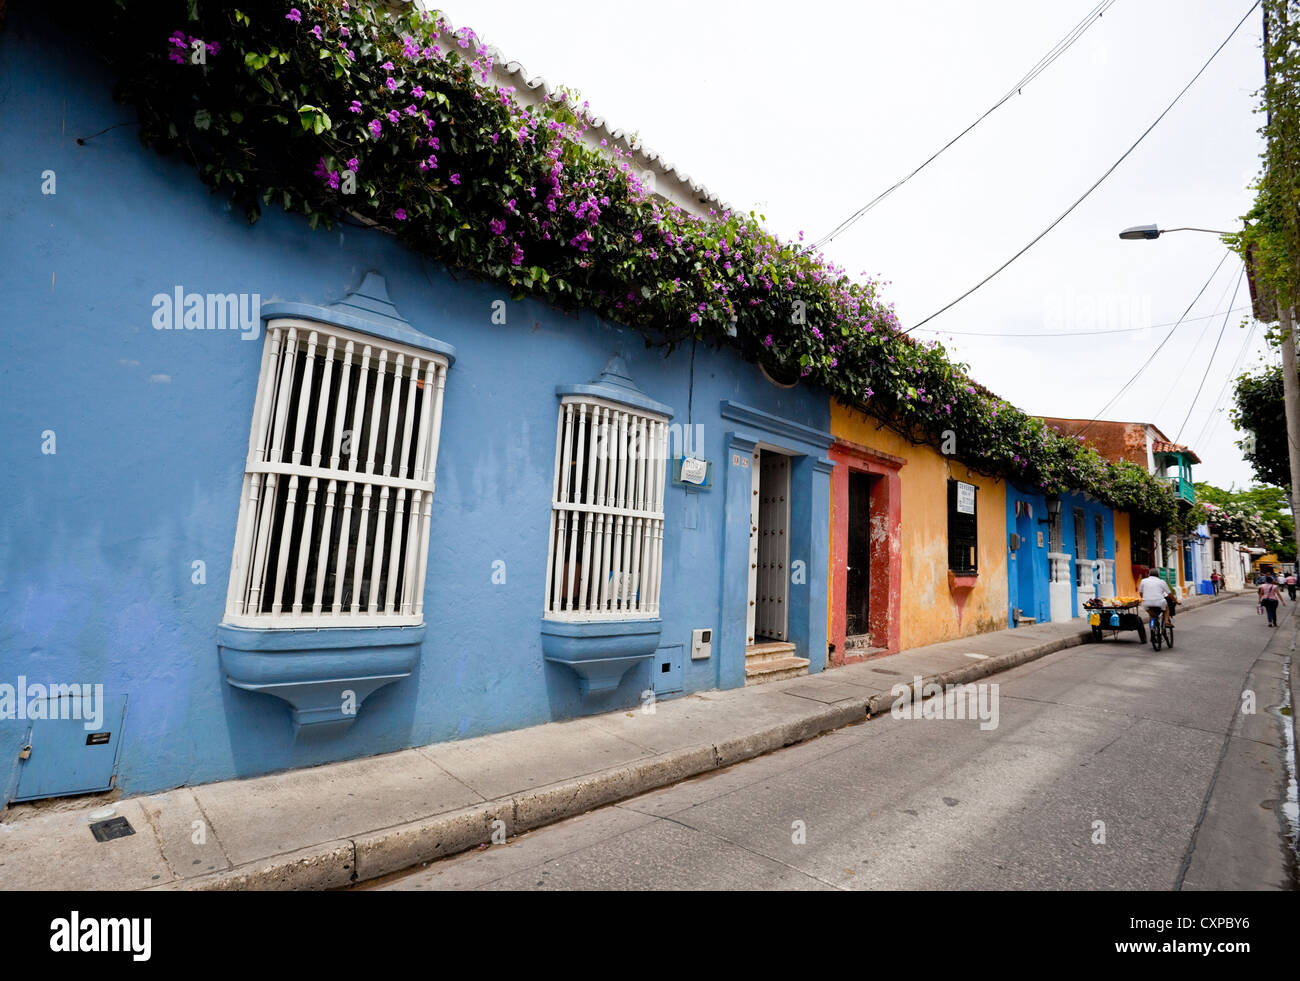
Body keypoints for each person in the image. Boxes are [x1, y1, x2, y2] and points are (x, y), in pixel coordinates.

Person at [1140, 569, 1172, 637]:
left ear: (1148, 575)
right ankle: (1166, 621)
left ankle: (1152, 630)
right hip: (1159, 602)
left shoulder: (1143, 581)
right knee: (1166, 608)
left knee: (1152, 615)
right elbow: (1169, 594)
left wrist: (1144, 598)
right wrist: (1176, 601)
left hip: (1146, 603)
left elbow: (1141, 593)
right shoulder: (1161, 582)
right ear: (1158, 575)